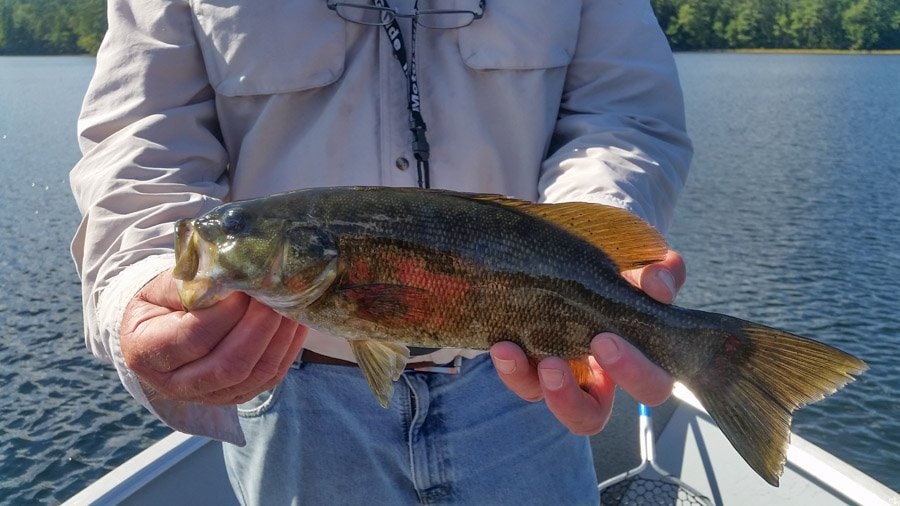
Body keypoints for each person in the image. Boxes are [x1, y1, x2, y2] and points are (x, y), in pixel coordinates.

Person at [70, 0, 691, 504]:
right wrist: (144, 281)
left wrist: (606, 242)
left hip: (523, 387)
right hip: (290, 396)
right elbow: (139, 141)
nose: (213, 237)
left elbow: (623, 113)